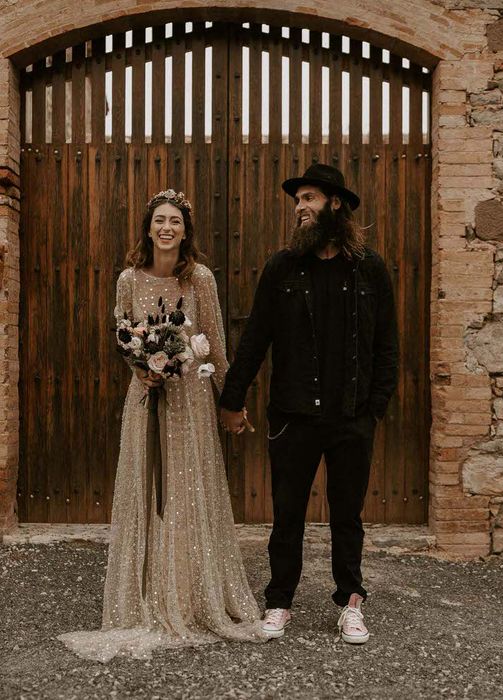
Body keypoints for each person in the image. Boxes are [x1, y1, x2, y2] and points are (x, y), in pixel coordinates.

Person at [58, 190, 265, 662]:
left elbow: (213, 340)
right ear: (148, 228)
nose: (167, 228)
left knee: (189, 488)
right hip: (146, 395)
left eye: (175, 221)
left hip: (189, 399)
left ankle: (193, 593)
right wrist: (141, 367)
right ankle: (145, 595)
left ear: (186, 231)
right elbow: (122, 331)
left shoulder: (202, 280)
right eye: (160, 221)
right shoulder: (129, 278)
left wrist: (231, 402)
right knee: (147, 489)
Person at [219, 164, 398, 644]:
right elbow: (255, 338)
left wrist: (373, 409)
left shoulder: (370, 268)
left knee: (347, 516)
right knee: (287, 515)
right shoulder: (283, 268)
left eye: (310, 198)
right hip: (294, 417)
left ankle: (351, 602)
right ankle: (279, 602)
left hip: (351, 418)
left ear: (335, 204)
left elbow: (387, 347)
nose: (300, 207)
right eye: (298, 199)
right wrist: (231, 400)